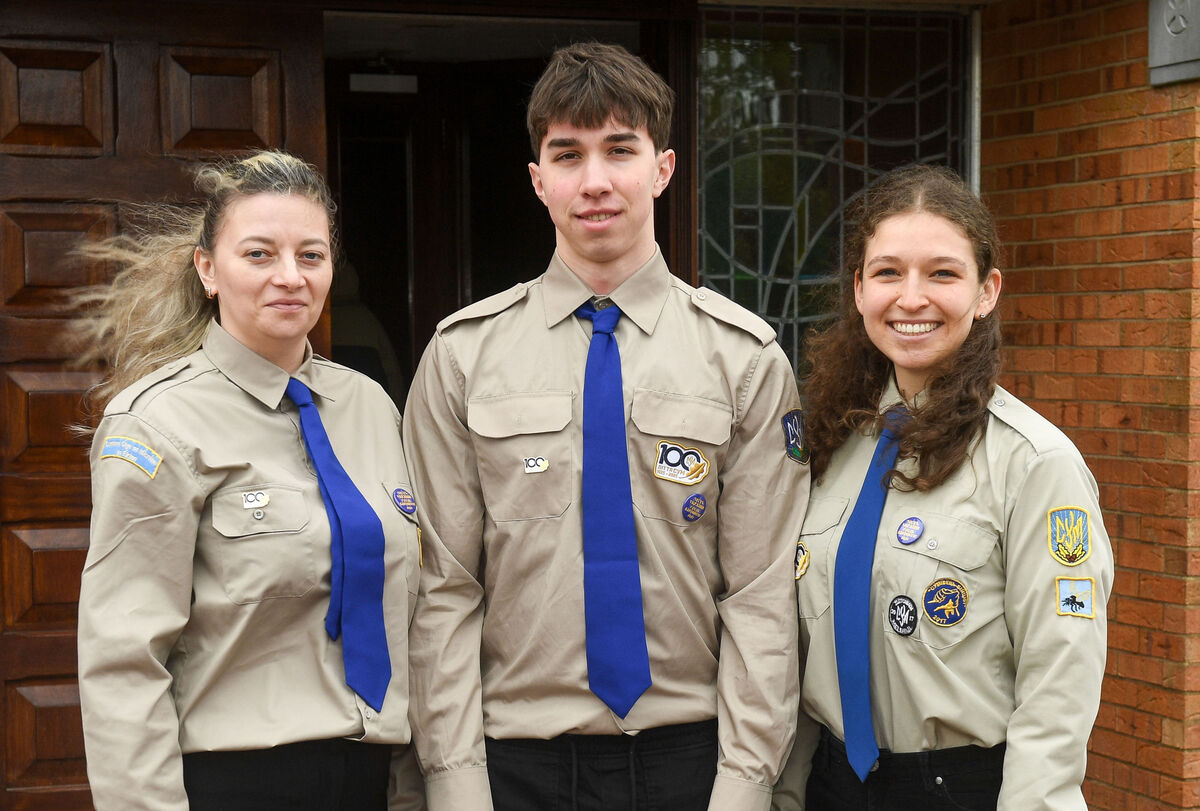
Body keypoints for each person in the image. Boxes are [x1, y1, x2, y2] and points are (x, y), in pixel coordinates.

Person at [402, 42, 809, 811]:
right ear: (538, 180)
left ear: (662, 167)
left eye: (620, 149)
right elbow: (443, 593)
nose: (595, 181)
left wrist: (746, 784)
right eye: (568, 154)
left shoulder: (743, 358)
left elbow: (760, 598)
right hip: (513, 761)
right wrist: (455, 783)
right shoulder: (463, 356)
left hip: (692, 760)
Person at [73, 150, 425, 810]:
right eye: (259, 254)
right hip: (233, 782)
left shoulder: (372, 406)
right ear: (207, 268)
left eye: (311, 255)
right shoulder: (155, 423)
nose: (289, 277)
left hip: (369, 777)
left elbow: (409, 614)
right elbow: (124, 659)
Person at [772, 164, 1113, 810]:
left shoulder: (1035, 463)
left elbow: (1058, 689)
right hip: (834, 788)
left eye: (943, 273)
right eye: (888, 272)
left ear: (987, 292)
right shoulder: (834, 446)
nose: (911, 297)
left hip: (963, 790)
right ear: (859, 288)